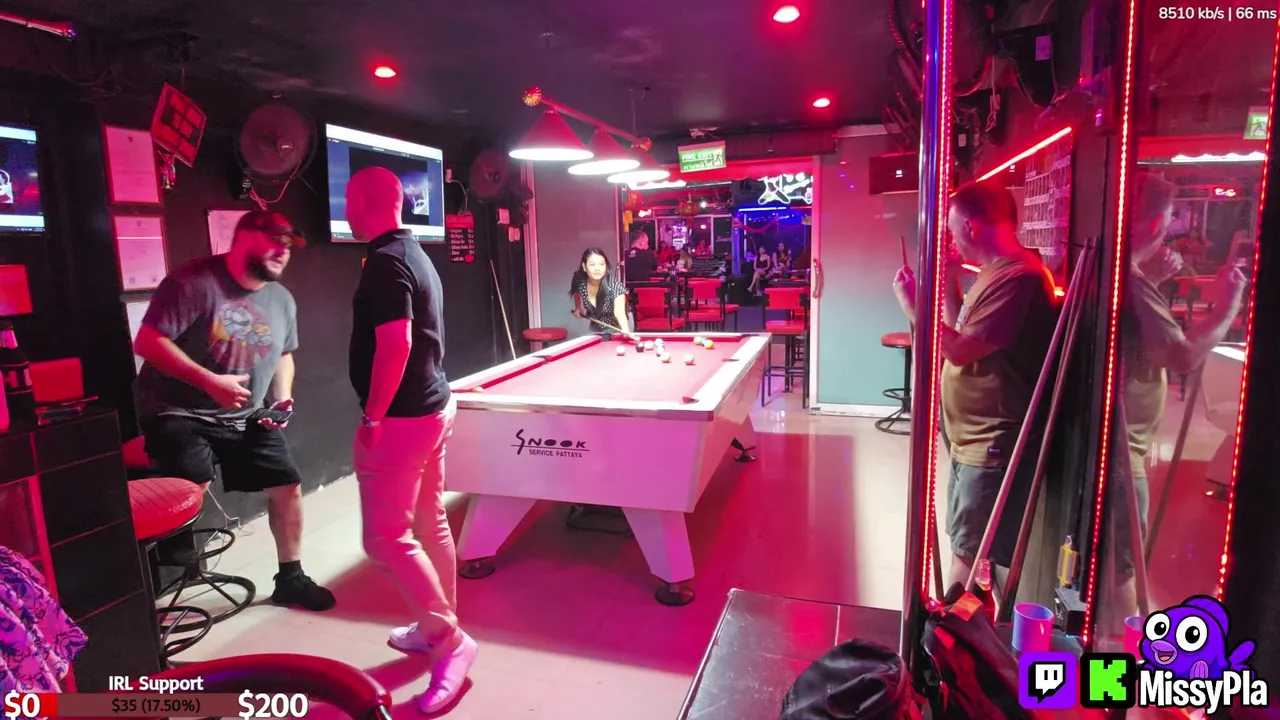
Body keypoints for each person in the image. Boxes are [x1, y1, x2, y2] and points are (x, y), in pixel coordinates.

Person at [134, 210, 335, 612]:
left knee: (287, 485)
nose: (283, 251)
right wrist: (209, 381)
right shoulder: (193, 283)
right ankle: (165, 570)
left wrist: (281, 397)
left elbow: (285, 354)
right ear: (243, 237)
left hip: (246, 413)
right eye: (275, 241)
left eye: (288, 245)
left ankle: (291, 579)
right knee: (193, 483)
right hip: (180, 410)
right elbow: (148, 342)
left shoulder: (281, 299)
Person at [345, 166, 476, 713]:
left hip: (401, 418)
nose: (346, 211)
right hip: (433, 407)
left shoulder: (384, 261)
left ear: (361, 202)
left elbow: (396, 345)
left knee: (385, 538)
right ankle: (435, 625)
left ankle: (449, 641)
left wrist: (373, 416)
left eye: (348, 200)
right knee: (430, 522)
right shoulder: (414, 252)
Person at [892, 180, 1056, 591]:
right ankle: (967, 612)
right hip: (973, 439)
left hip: (992, 441)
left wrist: (913, 307)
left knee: (967, 549)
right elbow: (962, 332)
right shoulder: (994, 273)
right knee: (966, 540)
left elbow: (959, 351)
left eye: (952, 230)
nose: (952, 241)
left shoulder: (1019, 278)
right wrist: (949, 280)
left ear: (970, 226)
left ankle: (955, 624)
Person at [1110, 174, 1248, 617]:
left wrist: (1148, 278)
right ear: (1157, 224)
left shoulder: (1122, 274)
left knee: (1115, 565)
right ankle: (1122, 658)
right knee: (1121, 572)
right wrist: (1227, 305)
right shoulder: (1129, 280)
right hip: (1120, 453)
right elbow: (1181, 356)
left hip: (1111, 445)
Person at [571, 247, 633, 335]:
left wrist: (625, 329)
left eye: (601, 264)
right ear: (584, 267)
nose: (597, 268)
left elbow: (619, 312)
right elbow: (576, 291)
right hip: (596, 325)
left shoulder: (613, 285)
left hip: (619, 326)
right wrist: (578, 307)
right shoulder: (580, 282)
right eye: (592, 264)